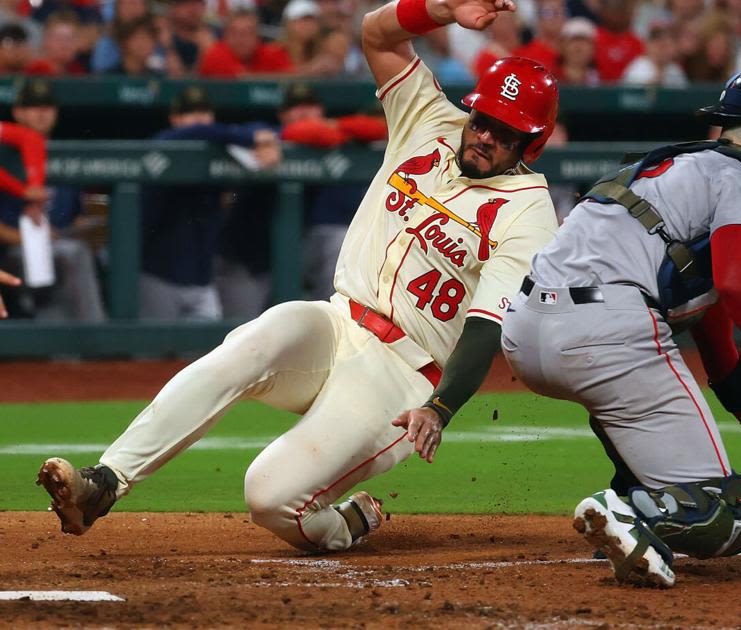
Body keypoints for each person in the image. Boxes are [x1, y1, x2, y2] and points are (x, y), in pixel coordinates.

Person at [37, 0, 560, 554]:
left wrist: (439, 409)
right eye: (481, 119)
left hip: (403, 376)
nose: (482, 136)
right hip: (336, 321)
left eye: (504, 133)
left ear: (532, 143)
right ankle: (105, 482)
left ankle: (348, 523)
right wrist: (439, 9)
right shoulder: (431, 120)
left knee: (268, 496)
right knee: (249, 344)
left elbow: (484, 329)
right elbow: (377, 36)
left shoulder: (528, 210)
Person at [499, 66, 741, 587]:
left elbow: (713, 325)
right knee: (726, 517)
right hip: (605, 332)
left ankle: (630, 495)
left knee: (635, 393)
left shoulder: (673, 167)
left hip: (528, 330)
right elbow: (737, 282)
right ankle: (632, 512)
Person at [138, 86, 282, 321]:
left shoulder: (219, 148)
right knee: (151, 355)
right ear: (174, 119)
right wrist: (250, 138)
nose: (199, 118)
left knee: (206, 355)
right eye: (190, 112)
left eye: (205, 112)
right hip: (157, 278)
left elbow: (265, 130)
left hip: (203, 284)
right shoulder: (164, 143)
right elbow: (198, 131)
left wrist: (267, 142)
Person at [0, 79, 107, 322]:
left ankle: (68, 348)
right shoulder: (5, 151)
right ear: (18, 111)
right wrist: (26, 235)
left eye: (47, 106)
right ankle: (95, 337)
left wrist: (94, 227)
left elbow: (74, 218)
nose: (41, 113)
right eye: (33, 106)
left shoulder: (64, 151)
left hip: (58, 244)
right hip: (12, 250)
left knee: (80, 253)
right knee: (70, 255)